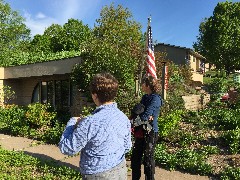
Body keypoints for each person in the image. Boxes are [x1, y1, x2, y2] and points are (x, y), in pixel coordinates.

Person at [59, 72, 132, 180]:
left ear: (94, 95)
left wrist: (72, 123)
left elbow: (67, 148)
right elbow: (127, 146)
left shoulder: (89, 122)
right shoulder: (123, 117)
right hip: (120, 170)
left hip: (97, 174)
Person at [130, 75, 163, 180]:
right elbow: (137, 111)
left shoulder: (156, 99)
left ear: (148, 85)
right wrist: (140, 117)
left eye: (143, 83)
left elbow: (145, 115)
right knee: (135, 158)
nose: (141, 85)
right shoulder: (145, 97)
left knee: (148, 159)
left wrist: (139, 118)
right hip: (141, 131)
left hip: (151, 132)